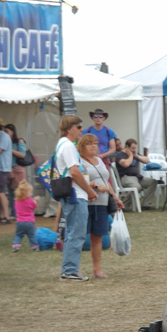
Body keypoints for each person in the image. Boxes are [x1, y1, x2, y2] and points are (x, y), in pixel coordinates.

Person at [55, 115, 97, 281]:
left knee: (73, 232)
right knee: (77, 233)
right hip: (75, 195)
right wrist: (89, 191)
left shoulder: (63, 144)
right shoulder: (68, 146)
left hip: (74, 194)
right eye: (78, 127)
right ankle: (70, 270)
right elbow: (74, 172)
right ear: (69, 129)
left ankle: (69, 269)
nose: (81, 130)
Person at [79, 134, 121, 278]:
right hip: (86, 203)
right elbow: (79, 179)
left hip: (102, 203)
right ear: (82, 146)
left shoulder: (99, 161)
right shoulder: (80, 162)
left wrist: (115, 197)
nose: (93, 146)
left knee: (97, 237)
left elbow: (106, 180)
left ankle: (97, 269)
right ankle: (73, 267)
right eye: (89, 143)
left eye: (95, 143)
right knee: (80, 236)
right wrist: (95, 185)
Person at [114, 138, 159, 211]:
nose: (134, 150)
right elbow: (126, 164)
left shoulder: (135, 153)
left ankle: (146, 204)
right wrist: (131, 156)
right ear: (127, 147)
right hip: (126, 177)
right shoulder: (120, 155)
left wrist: (137, 156)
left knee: (153, 182)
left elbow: (147, 160)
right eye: (133, 148)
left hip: (137, 177)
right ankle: (123, 205)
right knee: (137, 187)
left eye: (135, 148)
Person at [12, 180, 39, 252]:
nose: (32, 193)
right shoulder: (30, 201)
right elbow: (34, 206)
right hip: (29, 222)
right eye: (30, 192)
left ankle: (16, 245)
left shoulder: (17, 201)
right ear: (25, 193)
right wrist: (35, 200)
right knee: (31, 235)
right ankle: (35, 246)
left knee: (18, 235)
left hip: (20, 222)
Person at [0, 116, 12, 224]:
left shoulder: (4, 137)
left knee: (0, 192)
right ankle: (2, 216)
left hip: (2, 168)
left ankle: (6, 216)